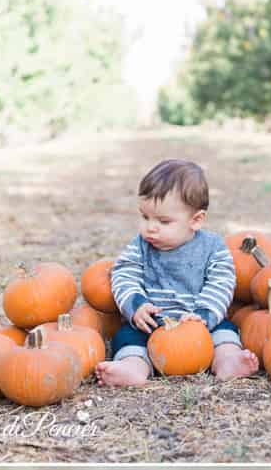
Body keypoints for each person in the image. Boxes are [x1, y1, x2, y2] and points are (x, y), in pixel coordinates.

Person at [95, 158, 259, 386]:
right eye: (144, 217)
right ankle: (132, 369)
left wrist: (204, 315)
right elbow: (124, 274)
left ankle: (227, 362)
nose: (150, 227)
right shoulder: (140, 246)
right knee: (128, 339)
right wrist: (136, 306)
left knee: (225, 334)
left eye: (163, 221)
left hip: (199, 324)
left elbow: (221, 283)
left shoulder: (213, 247)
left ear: (196, 220)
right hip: (151, 325)